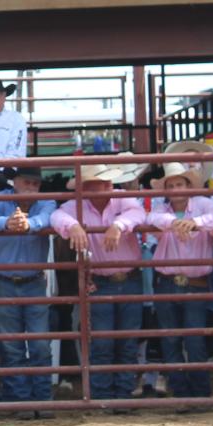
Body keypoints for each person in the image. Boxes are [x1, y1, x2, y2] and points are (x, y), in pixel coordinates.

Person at [50, 158, 149, 399]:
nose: (105, 187)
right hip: (101, 280)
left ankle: (121, 394)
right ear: (85, 187)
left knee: (126, 340)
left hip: (127, 277)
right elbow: (57, 216)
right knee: (102, 342)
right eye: (97, 183)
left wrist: (119, 224)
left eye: (106, 182)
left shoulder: (122, 199)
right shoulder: (76, 206)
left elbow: (138, 214)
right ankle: (103, 395)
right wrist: (72, 226)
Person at [142, 162, 213, 399]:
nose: (176, 189)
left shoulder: (202, 204)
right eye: (171, 185)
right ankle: (182, 392)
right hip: (169, 281)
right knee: (171, 340)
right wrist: (176, 223)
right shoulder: (162, 209)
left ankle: (199, 393)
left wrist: (195, 223)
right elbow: (151, 218)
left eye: (180, 183)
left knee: (194, 341)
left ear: (188, 186)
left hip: (193, 282)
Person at [0, 168, 56, 411]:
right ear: (15, 182)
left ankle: (39, 400)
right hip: (6, 281)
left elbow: (47, 218)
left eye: (35, 183)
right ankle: (25, 400)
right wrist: (8, 223)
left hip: (26, 281)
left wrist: (26, 224)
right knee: (14, 344)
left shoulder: (43, 202)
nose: (31, 187)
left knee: (37, 344)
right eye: (27, 182)